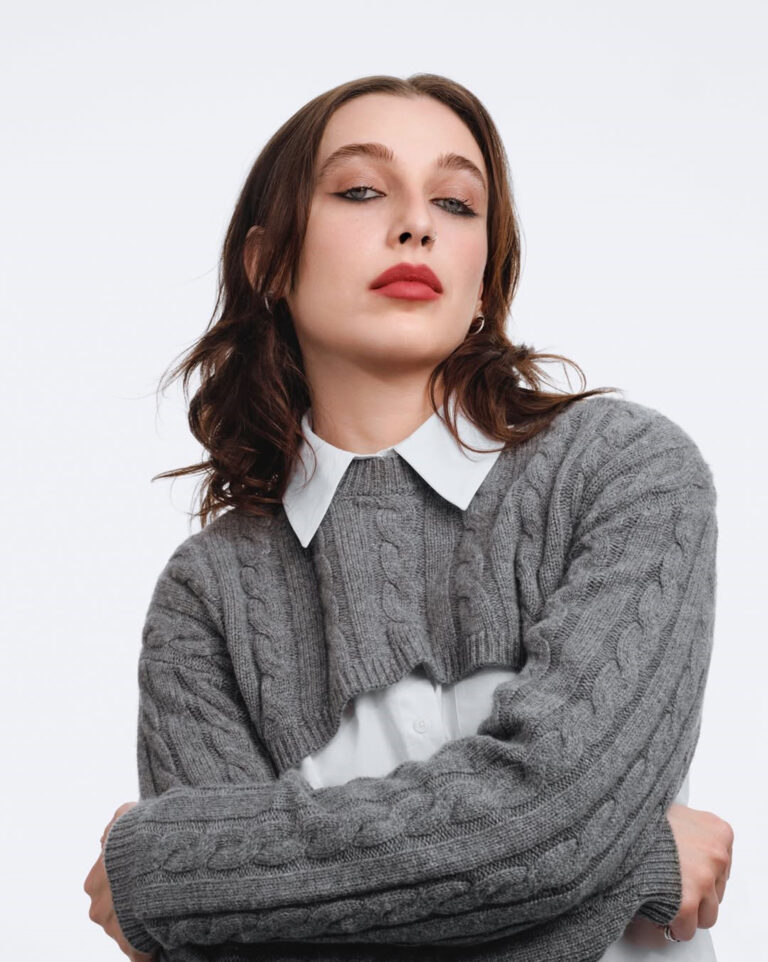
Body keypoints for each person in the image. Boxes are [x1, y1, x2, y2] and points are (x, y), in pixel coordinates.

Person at [83, 73, 733, 962]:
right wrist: (628, 865)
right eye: (360, 190)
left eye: (456, 204)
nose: (417, 225)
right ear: (267, 262)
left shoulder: (622, 470)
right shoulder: (208, 597)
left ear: (485, 279)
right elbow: (236, 955)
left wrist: (168, 872)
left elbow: (552, 824)